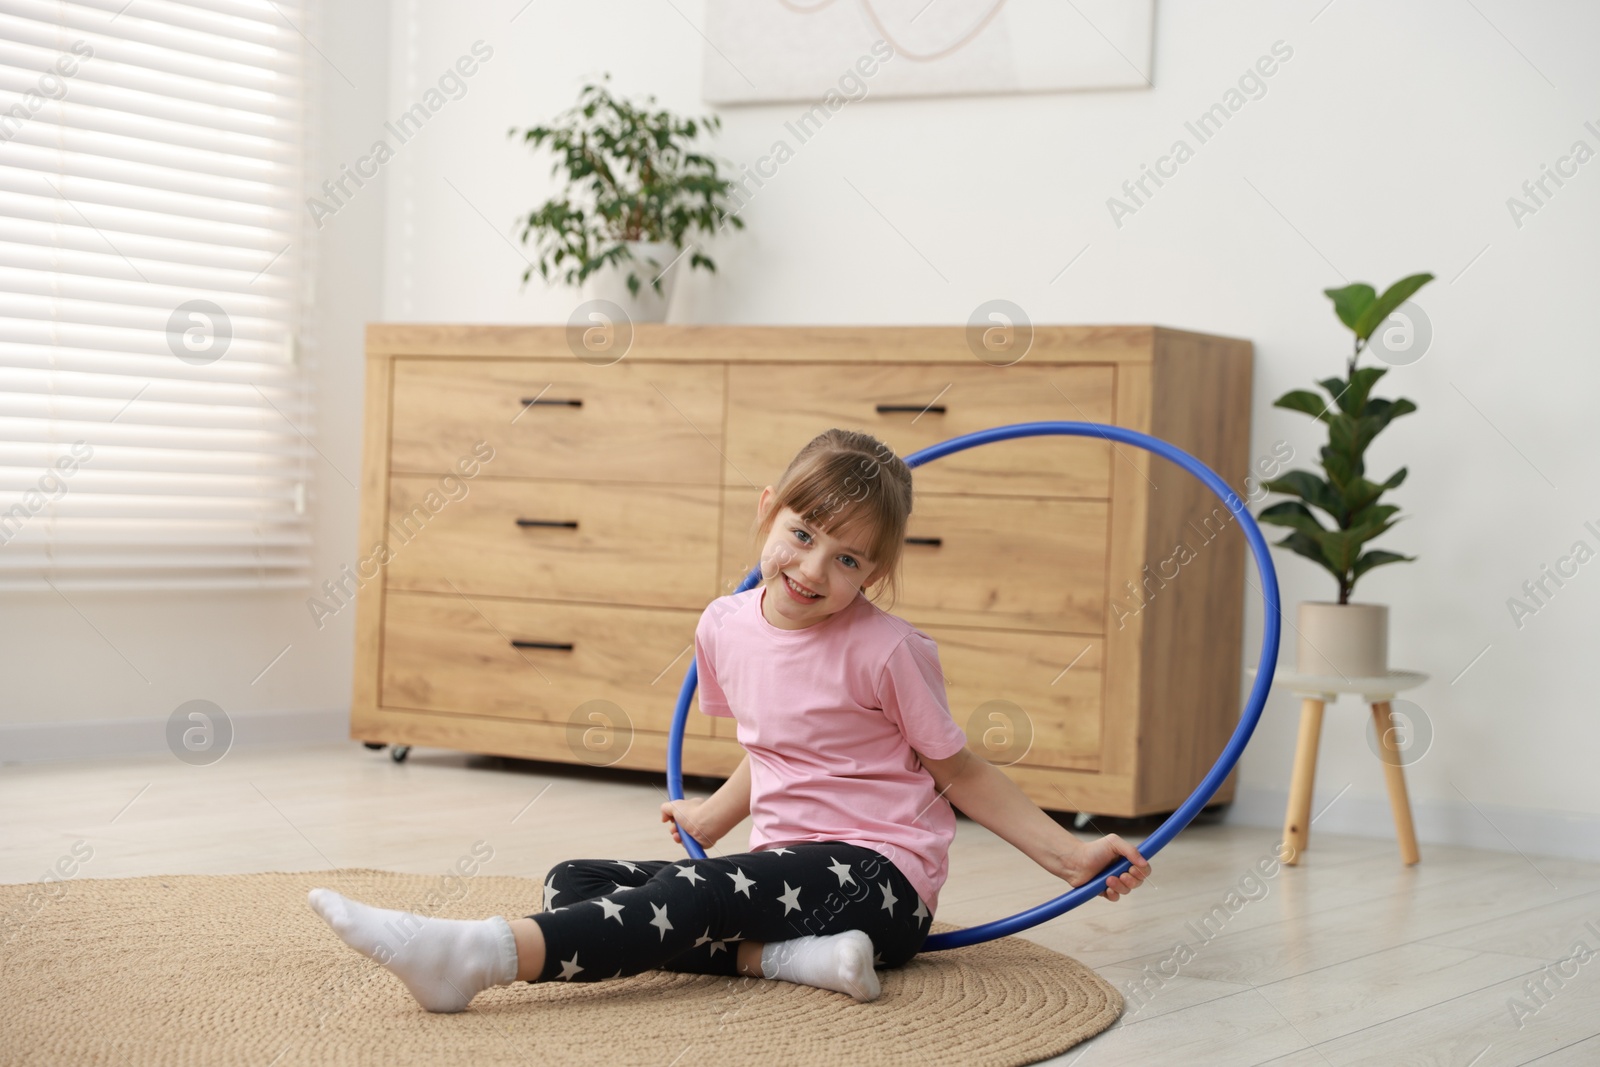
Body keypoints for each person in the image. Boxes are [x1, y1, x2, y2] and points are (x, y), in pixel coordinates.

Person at [307, 428, 1151, 1012]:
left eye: (848, 557)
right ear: (766, 511)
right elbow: (776, 744)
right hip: (776, 867)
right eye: (803, 532)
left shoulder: (890, 651)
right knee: (578, 879)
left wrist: (1072, 853)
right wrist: (714, 814)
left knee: (696, 893)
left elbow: (960, 773)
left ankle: (479, 956)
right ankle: (785, 959)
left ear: (878, 573)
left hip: (879, 880)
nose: (814, 567)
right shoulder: (723, 623)